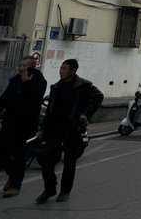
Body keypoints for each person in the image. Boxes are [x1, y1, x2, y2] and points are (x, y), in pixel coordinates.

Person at [36, 59, 103, 204]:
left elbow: (99, 97)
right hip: (54, 128)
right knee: (45, 158)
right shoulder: (56, 87)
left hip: (73, 128)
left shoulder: (84, 86)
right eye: (61, 68)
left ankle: (65, 191)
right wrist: (43, 129)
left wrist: (86, 114)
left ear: (73, 70)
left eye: (64, 68)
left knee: (69, 161)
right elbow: (50, 110)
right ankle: (50, 188)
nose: (61, 71)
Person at [0, 56, 47, 197]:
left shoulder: (39, 81)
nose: (20, 68)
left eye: (24, 65)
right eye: (20, 65)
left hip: (25, 124)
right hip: (9, 121)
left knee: (18, 155)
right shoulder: (15, 80)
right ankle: (12, 175)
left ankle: (15, 185)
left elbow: (34, 101)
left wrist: (27, 83)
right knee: (0, 153)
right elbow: (5, 98)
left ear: (31, 67)